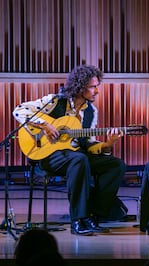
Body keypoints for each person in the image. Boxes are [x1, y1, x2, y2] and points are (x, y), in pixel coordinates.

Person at [13, 64, 126, 236]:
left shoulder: (91, 112)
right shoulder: (55, 100)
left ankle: (95, 215)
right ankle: (78, 220)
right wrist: (45, 125)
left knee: (115, 165)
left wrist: (108, 144)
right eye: (93, 87)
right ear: (80, 87)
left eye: (97, 86)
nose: (96, 91)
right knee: (79, 159)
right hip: (47, 155)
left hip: (74, 156)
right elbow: (19, 110)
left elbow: (88, 144)